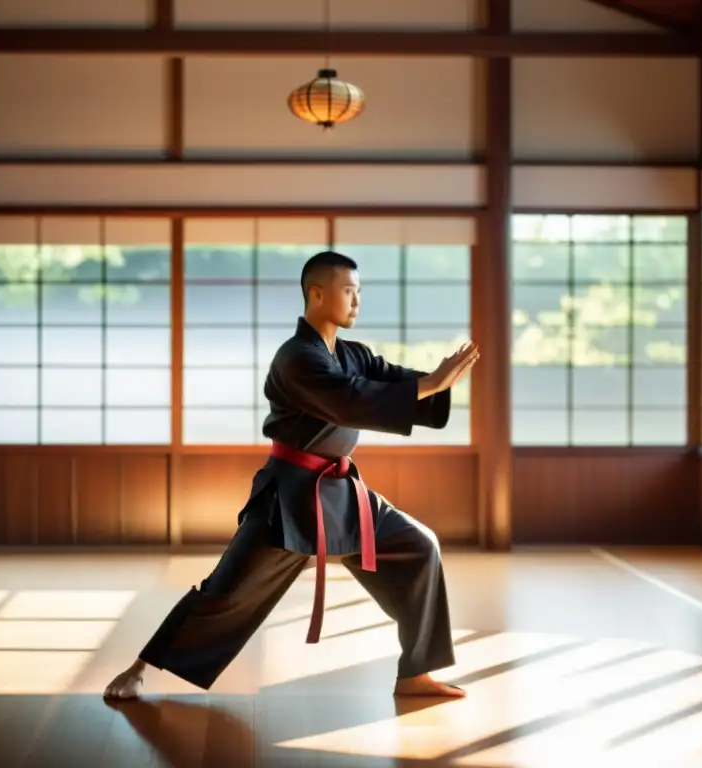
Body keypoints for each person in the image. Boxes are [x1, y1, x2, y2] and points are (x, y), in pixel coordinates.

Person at [103, 250, 480, 700]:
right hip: (290, 498)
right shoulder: (296, 357)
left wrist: (437, 381)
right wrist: (429, 384)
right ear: (317, 294)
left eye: (359, 292)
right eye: (348, 291)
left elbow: (389, 381)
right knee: (225, 592)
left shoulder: (352, 354)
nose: (357, 301)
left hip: (341, 491)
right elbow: (349, 399)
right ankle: (140, 667)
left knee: (419, 546)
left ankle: (416, 672)